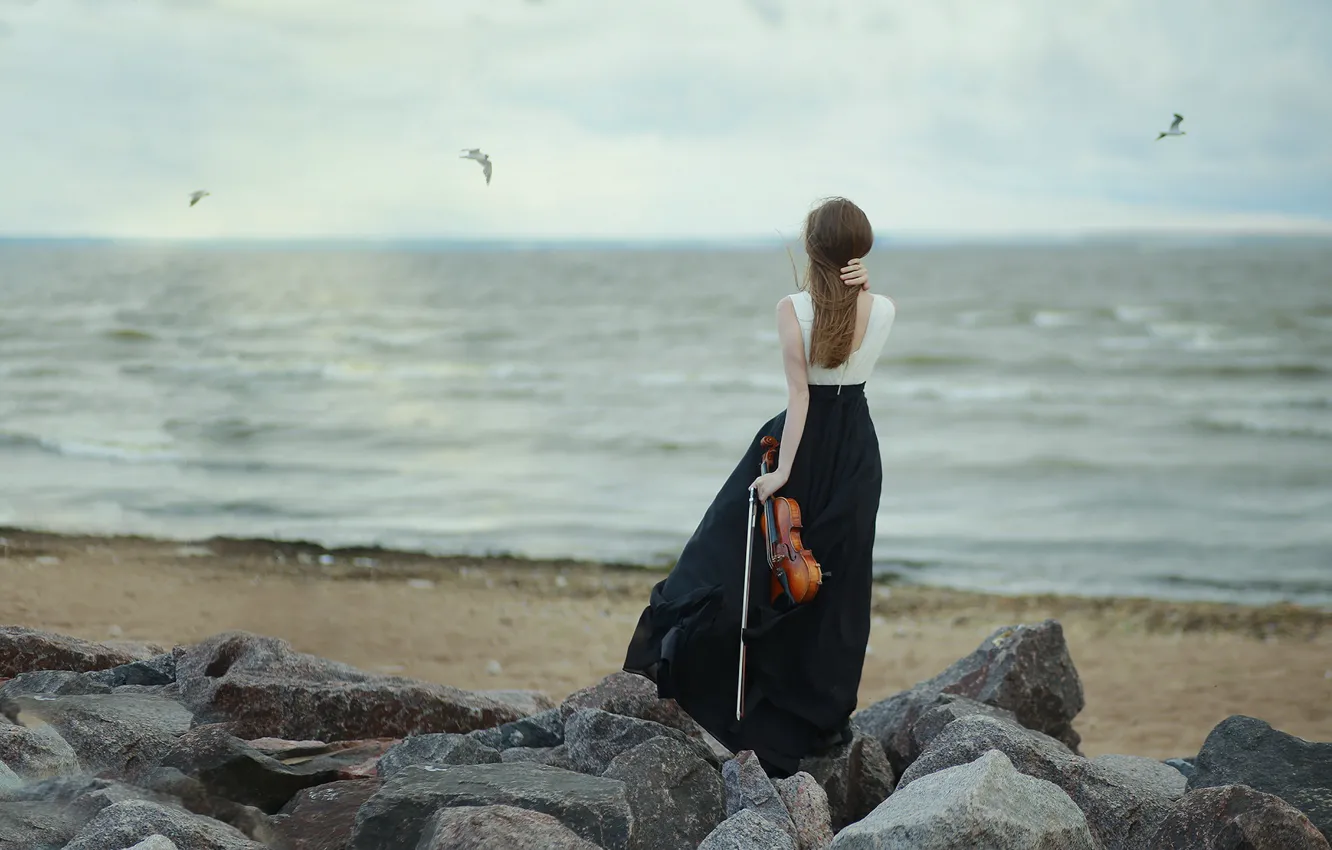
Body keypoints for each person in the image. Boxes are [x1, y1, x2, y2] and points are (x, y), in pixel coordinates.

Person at [623, 196, 897, 777]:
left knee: (739, 563)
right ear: (860, 250)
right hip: (857, 456)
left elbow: (802, 401)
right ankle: (820, 715)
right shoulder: (887, 308)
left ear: (811, 247)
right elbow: (845, 363)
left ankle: (740, 697)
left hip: (800, 446)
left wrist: (778, 474)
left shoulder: (791, 308)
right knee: (836, 587)